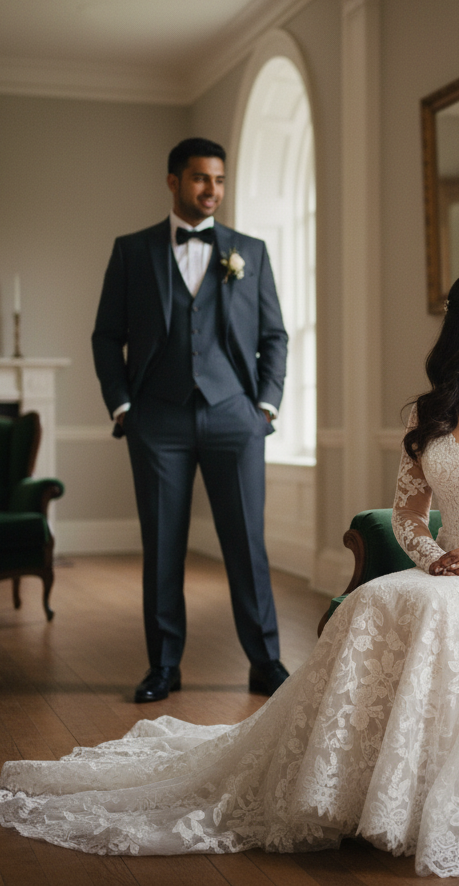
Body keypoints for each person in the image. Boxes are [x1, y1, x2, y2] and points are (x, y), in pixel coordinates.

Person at [0, 267, 459, 877]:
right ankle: (339, 789)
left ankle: (408, 807)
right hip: (451, 568)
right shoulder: (433, 410)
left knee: (434, 608)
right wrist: (433, 557)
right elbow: (407, 514)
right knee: (368, 601)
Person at [90, 137, 290, 704]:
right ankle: (163, 666)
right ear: (174, 181)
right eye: (201, 179)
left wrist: (265, 407)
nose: (212, 190)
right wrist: (123, 405)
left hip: (236, 417)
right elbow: (107, 335)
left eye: (220, 180)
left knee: (247, 544)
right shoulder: (132, 251)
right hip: (157, 420)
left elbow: (274, 335)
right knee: (162, 545)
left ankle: (264, 660)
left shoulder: (249, 250)